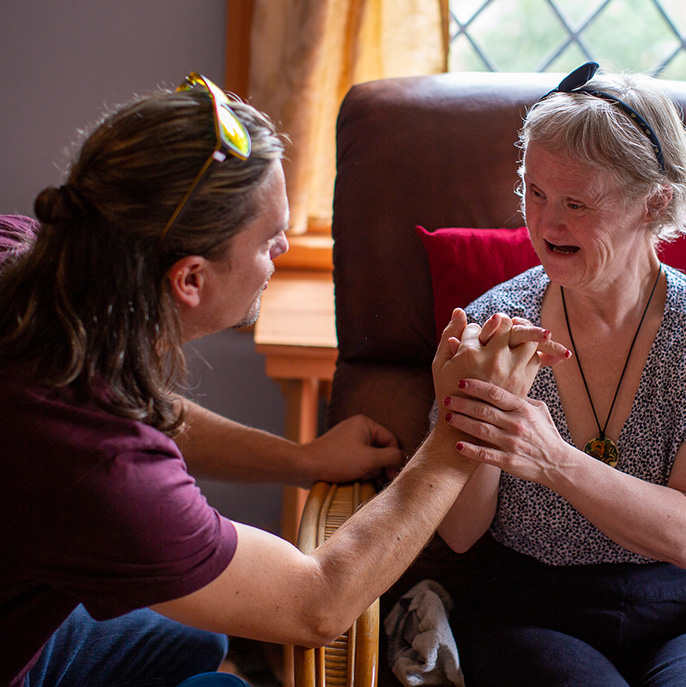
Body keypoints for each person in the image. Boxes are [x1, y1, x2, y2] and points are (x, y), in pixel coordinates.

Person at [0, 73, 570, 687]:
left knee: (201, 630)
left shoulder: (28, 257)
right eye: (272, 242)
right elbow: (315, 605)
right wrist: (464, 424)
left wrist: (300, 459)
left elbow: (127, 408)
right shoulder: (95, 464)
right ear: (190, 279)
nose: (281, 256)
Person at [437, 62, 686, 686]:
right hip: (528, 610)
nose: (547, 225)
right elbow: (462, 535)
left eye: (576, 203)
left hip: (676, 610)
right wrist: (459, 412)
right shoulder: (498, 324)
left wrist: (551, 458)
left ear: (653, 201)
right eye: (534, 192)